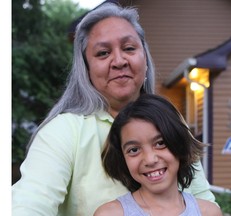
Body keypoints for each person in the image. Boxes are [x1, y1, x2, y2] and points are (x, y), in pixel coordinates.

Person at [12, 2, 217, 216]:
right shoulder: (63, 131)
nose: (119, 61)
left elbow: (200, 198)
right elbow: (29, 204)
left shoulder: (171, 120)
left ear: (145, 59)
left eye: (129, 48)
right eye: (102, 53)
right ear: (86, 68)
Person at [94, 94, 222, 216]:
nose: (150, 159)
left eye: (160, 143)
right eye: (134, 150)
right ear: (122, 159)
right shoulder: (110, 214)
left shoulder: (209, 212)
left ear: (179, 143)